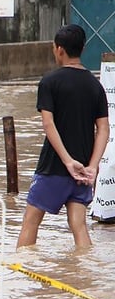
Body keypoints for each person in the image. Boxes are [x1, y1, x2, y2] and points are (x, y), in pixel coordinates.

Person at [16, 24, 109, 248]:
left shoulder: (49, 82)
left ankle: (20, 274)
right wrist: (93, 167)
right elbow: (104, 129)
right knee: (78, 225)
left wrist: (67, 161)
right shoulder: (95, 85)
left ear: (59, 49)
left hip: (54, 167)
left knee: (31, 222)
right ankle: (85, 274)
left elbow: (48, 124)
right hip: (84, 170)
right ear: (82, 49)